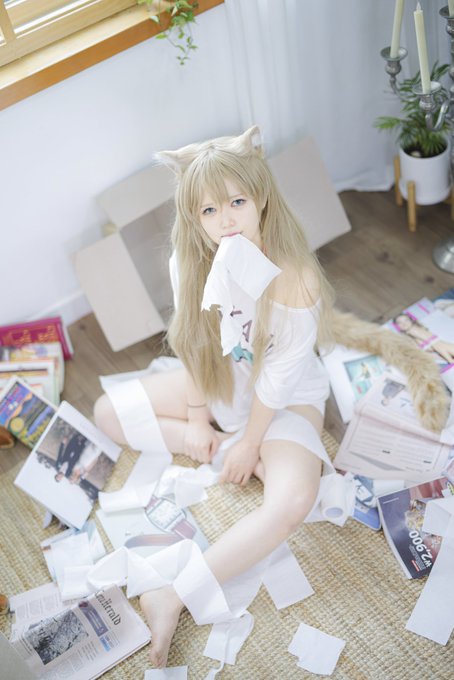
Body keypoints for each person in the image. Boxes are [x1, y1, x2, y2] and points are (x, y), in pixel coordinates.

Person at [92, 126, 443, 668]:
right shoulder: (189, 262)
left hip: (281, 400)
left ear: (260, 199)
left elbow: (278, 379)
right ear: (194, 218)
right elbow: (192, 344)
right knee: (106, 412)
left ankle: (173, 595)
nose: (225, 220)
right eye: (209, 210)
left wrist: (251, 443)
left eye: (236, 202)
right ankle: (214, 445)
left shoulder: (295, 278)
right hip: (218, 383)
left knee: (293, 501)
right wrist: (195, 422)